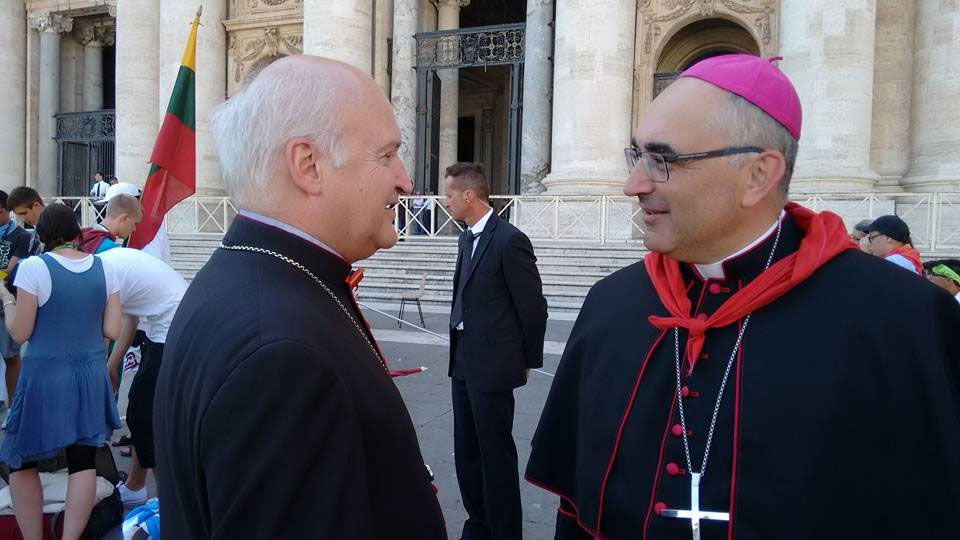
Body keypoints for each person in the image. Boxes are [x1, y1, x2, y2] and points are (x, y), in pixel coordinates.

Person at [525, 54, 960, 539]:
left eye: (663, 159)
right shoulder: (612, 303)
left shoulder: (902, 319)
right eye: (637, 155)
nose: (634, 184)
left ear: (758, 175)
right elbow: (577, 511)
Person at [154, 56, 445, 538]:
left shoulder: (248, 278)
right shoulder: (283, 356)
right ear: (308, 165)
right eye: (387, 155)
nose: (405, 180)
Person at [0, 203, 122, 540]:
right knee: (82, 462)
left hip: (45, 376)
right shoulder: (105, 266)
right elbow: (112, 328)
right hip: (90, 374)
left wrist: (7, 300)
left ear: (41, 234)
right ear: (76, 231)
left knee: (21, 461)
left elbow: (20, 333)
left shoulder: (34, 267)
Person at [444, 162, 547, 540]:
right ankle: (478, 524)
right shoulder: (465, 237)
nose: (445, 201)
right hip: (462, 359)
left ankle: (504, 532)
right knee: (467, 452)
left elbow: (532, 307)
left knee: (495, 454)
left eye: (450, 194)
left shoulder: (509, 240)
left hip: (494, 363)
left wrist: (526, 360)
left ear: (469, 195)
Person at [96, 247, 187, 506]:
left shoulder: (102, 274)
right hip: (166, 327)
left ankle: (168, 503)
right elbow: (130, 319)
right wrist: (111, 365)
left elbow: (104, 332)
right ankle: (135, 486)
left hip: (172, 330)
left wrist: (101, 368)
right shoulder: (108, 264)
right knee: (142, 410)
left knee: (144, 415)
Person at [0, 190, 31, 404]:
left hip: (7, 303)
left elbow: (10, 269)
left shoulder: (20, 236)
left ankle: (14, 406)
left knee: (11, 356)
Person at [6, 187, 45, 256]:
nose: (23, 219)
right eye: (19, 215)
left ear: (36, 205)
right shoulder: (38, 229)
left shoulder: (57, 225)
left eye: (24, 213)